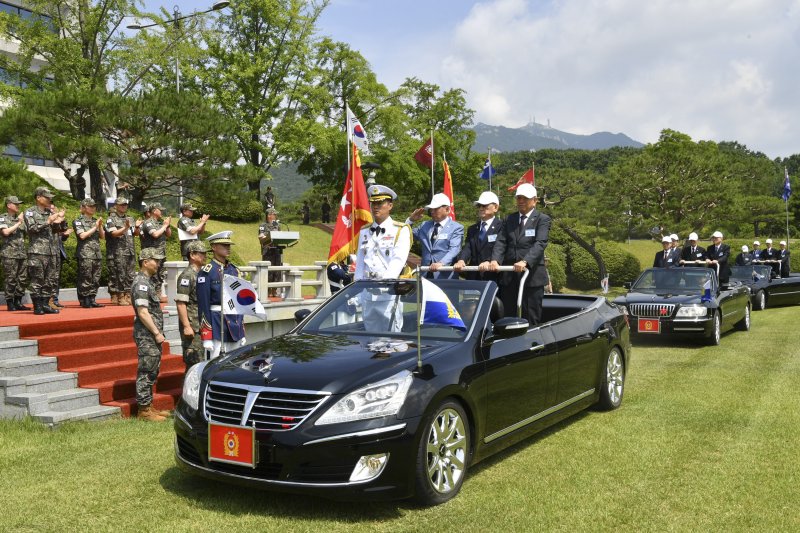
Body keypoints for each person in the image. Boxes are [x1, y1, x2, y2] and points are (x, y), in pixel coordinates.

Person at [481, 183, 551, 325]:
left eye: (525, 198)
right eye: (518, 198)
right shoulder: (509, 219)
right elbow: (501, 242)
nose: (521, 201)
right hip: (509, 278)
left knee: (530, 317)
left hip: (531, 278)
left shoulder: (542, 219)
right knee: (508, 317)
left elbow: (540, 243)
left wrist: (525, 261)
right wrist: (496, 260)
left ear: (535, 200)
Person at [354, 185, 412, 331]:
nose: (376, 207)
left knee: (391, 338)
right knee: (371, 337)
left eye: (380, 203)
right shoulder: (365, 231)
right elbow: (360, 262)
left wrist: (384, 284)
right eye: (373, 203)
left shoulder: (401, 229)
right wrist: (356, 288)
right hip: (367, 292)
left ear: (390, 205)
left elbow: (398, 261)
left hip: (389, 293)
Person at [132, 248, 170, 422]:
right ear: (145, 261)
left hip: (151, 335)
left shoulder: (147, 281)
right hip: (147, 335)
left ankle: (149, 406)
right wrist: (156, 333)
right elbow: (143, 312)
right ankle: (144, 411)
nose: (158, 263)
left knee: (152, 369)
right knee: (146, 371)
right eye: (155, 260)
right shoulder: (141, 283)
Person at [196, 231, 246, 359]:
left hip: (234, 323)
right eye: (224, 245)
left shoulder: (234, 270)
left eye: (228, 245)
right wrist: (206, 335)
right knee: (216, 362)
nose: (228, 248)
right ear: (213, 247)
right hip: (217, 322)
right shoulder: (207, 271)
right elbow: (204, 304)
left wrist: (242, 330)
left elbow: (239, 302)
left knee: (235, 363)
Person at [24, 187, 63, 315]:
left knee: (50, 280)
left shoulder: (49, 212)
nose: (49, 199)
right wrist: (48, 222)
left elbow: (57, 231)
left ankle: (46, 304)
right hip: (37, 251)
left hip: (51, 251)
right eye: (46, 197)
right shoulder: (30, 212)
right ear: (38, 197)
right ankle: (37, 306)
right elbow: (31, 229)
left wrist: (59, 222)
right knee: (37, 279)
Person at [406, 192, 463, 279]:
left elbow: (454, 249)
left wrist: (441, 263)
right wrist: (410, 220)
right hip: (425, 274)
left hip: (445, 275)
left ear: (447, 209)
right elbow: (405, 234)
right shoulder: (424, 225)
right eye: (431, 209)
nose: (432, 212)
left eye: (436, 209)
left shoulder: (456, 228)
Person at [454, 191, 503, 283]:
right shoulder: (472, 229)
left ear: (495, 207)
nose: (481, 208)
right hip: (473, 276)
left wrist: (489, 261)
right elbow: (468, 248)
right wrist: (461, 260)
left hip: (493, 276)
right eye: (479, 205)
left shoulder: (502, 226)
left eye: (485, 205)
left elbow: (501, 248)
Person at [175, 240, 209, 370]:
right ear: (192, 255)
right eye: (202, 253)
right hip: (192, 327)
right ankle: (188, 390)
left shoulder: (200, 274)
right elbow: (181, 303)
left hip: (201, 325)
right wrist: (186, 326)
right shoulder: (187, 275)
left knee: (201, 363)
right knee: (194, 364)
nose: (205, 256)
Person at [105, 197, 140, 306]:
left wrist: (137, 227)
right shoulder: (111, 219)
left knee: (130, 274)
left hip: (130, 250)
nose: (124, 206)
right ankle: (119, 295)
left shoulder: (130, 218)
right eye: (121, 205)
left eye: (125, 205)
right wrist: (125, 227)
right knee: (119, 274)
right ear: (115, 206)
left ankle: (128, 295)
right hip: (118, 250)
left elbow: (135, 233)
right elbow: (114, 233)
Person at [72, 198, 105, 308]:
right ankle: (84, 298)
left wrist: (99, 226)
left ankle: (92, 298)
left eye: (94, 206)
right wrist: (95, 226)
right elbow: (82, 235)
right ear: (84, 208)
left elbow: (103, 236)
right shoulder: (78, 221)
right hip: (85, 253)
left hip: (96, 253)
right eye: (90, 206)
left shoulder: (95, 220)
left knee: (95, 277)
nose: (93, 208)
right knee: (85, 276)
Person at [0, 196, 30, 311]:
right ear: (9, 205)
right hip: (9, 254)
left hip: (22, 253)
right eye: (15, 203)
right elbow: (6, 232)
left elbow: (29, 234)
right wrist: (19, 223)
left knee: (22, 278)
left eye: (19, 203)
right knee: (10, 278)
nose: (18, 205)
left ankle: (18, 301)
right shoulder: (2, 218)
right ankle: (10, 302)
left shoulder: (21, 220)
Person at [140, 202, 171, 298]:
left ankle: (158, 294)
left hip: (161, 253)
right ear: (154, 211)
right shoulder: (148, 222)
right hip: (152, 255)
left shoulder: (159, 223)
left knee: (160, 274)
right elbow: (155, 234)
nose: (161, 211)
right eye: (160, 210)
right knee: (153, 275)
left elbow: (168, 235)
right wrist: (164, 226)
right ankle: (152, 295)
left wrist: (167, 225)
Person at [257, 208, 282, 297]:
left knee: (277, 270)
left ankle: (274, 290)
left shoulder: (277, 225)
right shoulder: (263, 226)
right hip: (267, 251)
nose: (275, 216)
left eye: (275, 214)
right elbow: (261, 237)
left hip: (277, 250)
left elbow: (280, 236)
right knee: (268, 272)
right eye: (274, 214)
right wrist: (269, 236)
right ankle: (267, 291)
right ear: (269, 215)